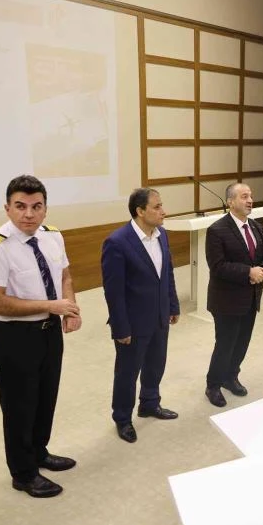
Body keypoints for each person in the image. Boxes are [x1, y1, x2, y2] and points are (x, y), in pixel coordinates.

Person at [0, 175, 81, 498]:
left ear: (46, 209)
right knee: (19, 405)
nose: (28, 214)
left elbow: (65, 275)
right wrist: (51, 305)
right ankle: (23, 473)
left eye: (36, 206)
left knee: (45, 398)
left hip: (49, 332)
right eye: (20, 206)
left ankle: (38, 452)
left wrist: (70, 308)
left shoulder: (53, 236)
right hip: (12, 337)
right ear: (7, 208)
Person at [101, 188, 180, 444]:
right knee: (127, 373)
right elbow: (113, 292)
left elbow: (167, 273)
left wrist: (173, 305)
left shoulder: (161, 235)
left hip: (160, 315)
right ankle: (122, 418)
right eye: (157, 207)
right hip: (133, 323)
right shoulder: (117, 242)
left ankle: (149, 403)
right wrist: (120, 328)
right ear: (140, 211)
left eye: (162, 205)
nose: (163, 211)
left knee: (156, 363)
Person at [205, 183, 263, 408]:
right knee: (225, 343)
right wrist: (248, 272)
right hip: (226, 299)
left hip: (251, 297)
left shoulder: (256, 226)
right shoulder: (217, 230)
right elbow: (217, 266)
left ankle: (231, 376)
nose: (250, 200)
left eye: (251, 196)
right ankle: (213, 385)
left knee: (242, 341)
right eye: (244, 196)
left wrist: (262, 270)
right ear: (230, 202)